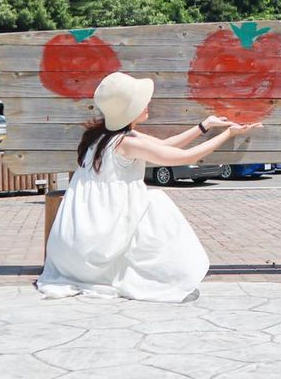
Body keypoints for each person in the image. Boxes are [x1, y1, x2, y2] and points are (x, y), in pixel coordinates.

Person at [36, 71, 261, 303]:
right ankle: (169, 275)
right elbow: (183, 156)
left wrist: (204, 126)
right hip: (92, 250)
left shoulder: (101, 138)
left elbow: (164, 146)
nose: (147, 104)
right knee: (156, 202)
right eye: (141, 101)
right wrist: (228, 134)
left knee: (146, 203)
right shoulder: (125, 144)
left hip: (70, 250)